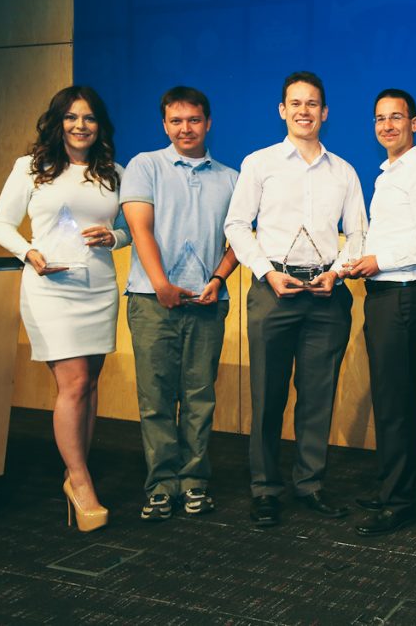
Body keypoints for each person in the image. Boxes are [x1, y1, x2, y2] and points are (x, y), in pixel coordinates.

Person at [225, 71, 366, 527]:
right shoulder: (259, 163)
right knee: (267, 395)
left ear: (325, 112)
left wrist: (337, 271)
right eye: (296, 103)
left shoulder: (344, 171)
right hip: (274, 292)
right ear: (282, 110)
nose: (304, 111)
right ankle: (265, 488)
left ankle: (310, 484)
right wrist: (265, 271)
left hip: (327, 295)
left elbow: (358, 234)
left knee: (317, 397)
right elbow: (235, 225)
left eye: (313, 104)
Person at [0, 85, 129, 532]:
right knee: (74, 382)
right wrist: (28, 252)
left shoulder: (114, 172)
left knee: (90, 385)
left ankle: (76, 469)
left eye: (89, 118)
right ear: (58, 122)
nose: (80, 125)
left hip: (98, 288)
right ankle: (80, 483)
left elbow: (128, 228)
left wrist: (114, 237)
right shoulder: (31, 167)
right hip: (50, 288)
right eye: (71, 117)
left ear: (99, 125)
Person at [121, 86, 240, 522]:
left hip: (208, 302)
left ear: (208, 123)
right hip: (153, 302)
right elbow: (140, 228)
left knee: (199, 398)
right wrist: (161, 285)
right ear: (164, 125)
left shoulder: (231, 178)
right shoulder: (145, 165)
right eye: (176, 121)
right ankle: (159, 486)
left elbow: (242, 239)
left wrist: (218, 279)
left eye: (193, 120)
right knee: (155, 399)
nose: (185, 128)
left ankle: (194, 483)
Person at [344, 89, 416, 536]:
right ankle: (392, 488)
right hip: (385, 295)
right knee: (391, 399)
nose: (387, 126)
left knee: (397, 403)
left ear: (415, 123)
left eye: (396, 117)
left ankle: (401, 502)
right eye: (380, 118)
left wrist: (379, 261)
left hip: (404, 295)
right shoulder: (389, 174)